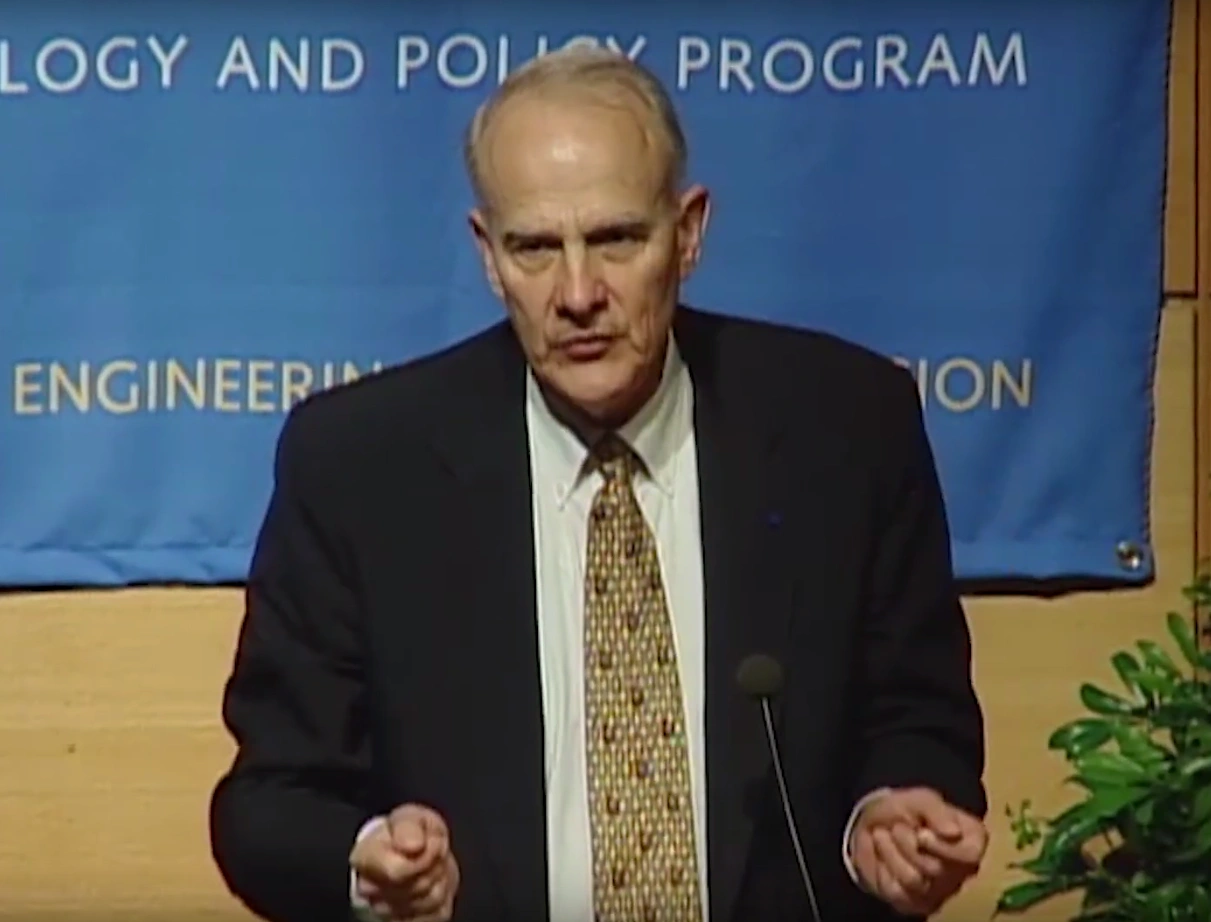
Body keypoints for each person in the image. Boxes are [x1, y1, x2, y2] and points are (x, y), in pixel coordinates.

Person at [209, 45, 987, 922]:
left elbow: (919, 718)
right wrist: (365, 864)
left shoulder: (845, 427)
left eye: (616, 238)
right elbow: (266, 803)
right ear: (487, 255)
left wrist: (881, 816)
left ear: (687, 232)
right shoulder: (358, 463)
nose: (577, 292)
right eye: (535, 247)